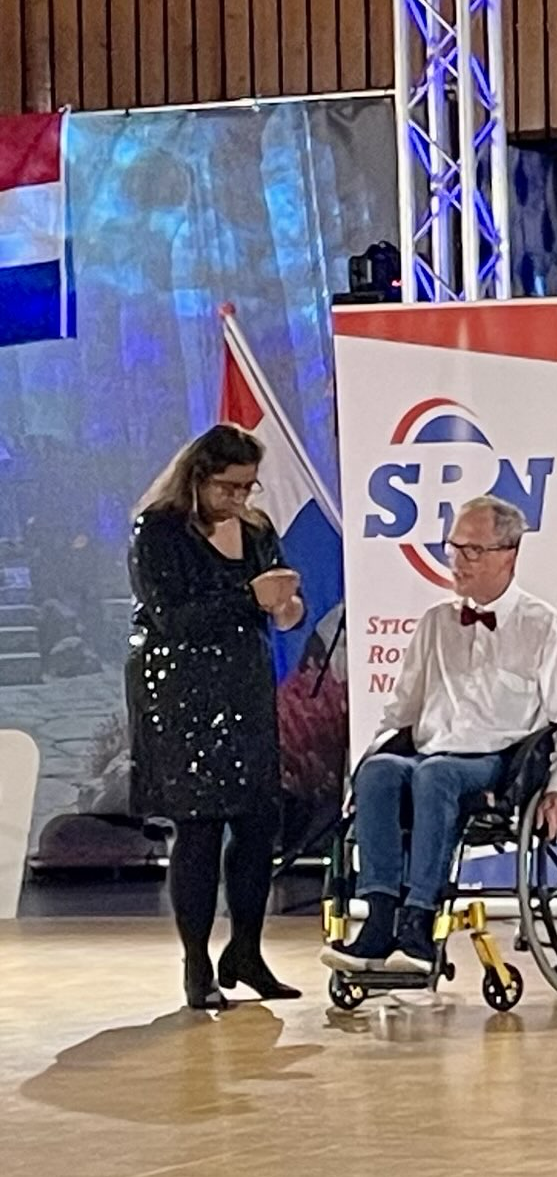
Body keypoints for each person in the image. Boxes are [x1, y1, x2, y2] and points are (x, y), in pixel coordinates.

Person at [323, 495, 557, 975]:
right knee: (380, 772)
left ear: (508, 555)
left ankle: (419, 919)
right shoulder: (436, 623)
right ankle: (379, 917)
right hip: (430, 751)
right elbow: (401, 709)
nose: (458, 561)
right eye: (454, 548)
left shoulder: (541, 627)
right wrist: (364, 765)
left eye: (473, 550)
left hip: (495, 761)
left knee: (436, 776)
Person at [128, 424, 305, 1011]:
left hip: (244, 686)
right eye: (229, 487)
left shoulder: (256, 529)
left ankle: (246, 950)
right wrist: (250, 598)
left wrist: (287, 608)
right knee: (199, 828)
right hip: (182, 695)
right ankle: (196, 962)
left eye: (248, 487)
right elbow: (172, 617)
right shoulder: (159, 530)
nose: (239, 498)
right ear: (198, 477)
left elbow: (278, 599)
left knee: (257, 824)